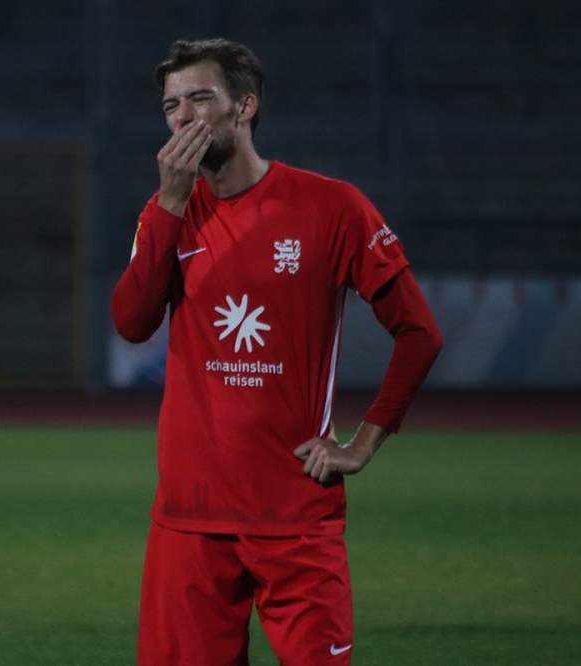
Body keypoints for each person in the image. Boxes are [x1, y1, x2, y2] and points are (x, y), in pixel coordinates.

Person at [111, 39, 443, 666]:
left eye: (200, 98)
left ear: (246, 107)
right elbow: (131, 323)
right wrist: (171, 204)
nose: (182, 117)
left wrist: (362, 444)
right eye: (171, 106)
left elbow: (420, 332)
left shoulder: (332, 206)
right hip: (189, 517)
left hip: (296, 512)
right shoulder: (166, 214)